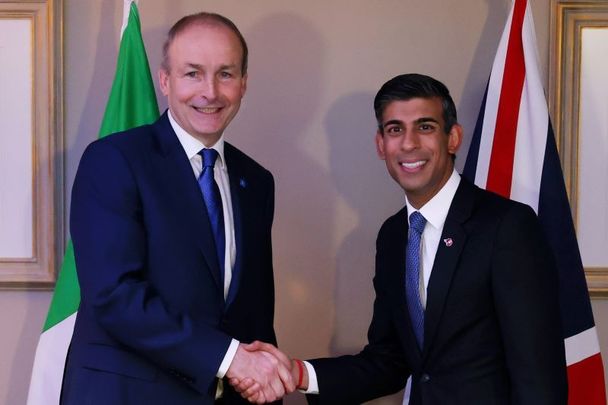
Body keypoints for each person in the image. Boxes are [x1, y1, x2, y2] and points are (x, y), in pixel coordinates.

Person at [237, 73, 568, 404]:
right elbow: (390, 360)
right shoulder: (394, 236)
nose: (409, 143)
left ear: (453, 138)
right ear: (381, 144)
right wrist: (298, 374)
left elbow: (538, 379)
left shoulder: (508, 226)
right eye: (395, 129)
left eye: (425, 127)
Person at [61, 12, 294, 405]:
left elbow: (253, 316)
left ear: (244, 83)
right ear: (165, 81)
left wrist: (264, 382)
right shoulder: (114, 160)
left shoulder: (256, 182)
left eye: (225, 74)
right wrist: (229, 358)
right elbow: (115, 295)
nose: (210, 92)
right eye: (193, 74)